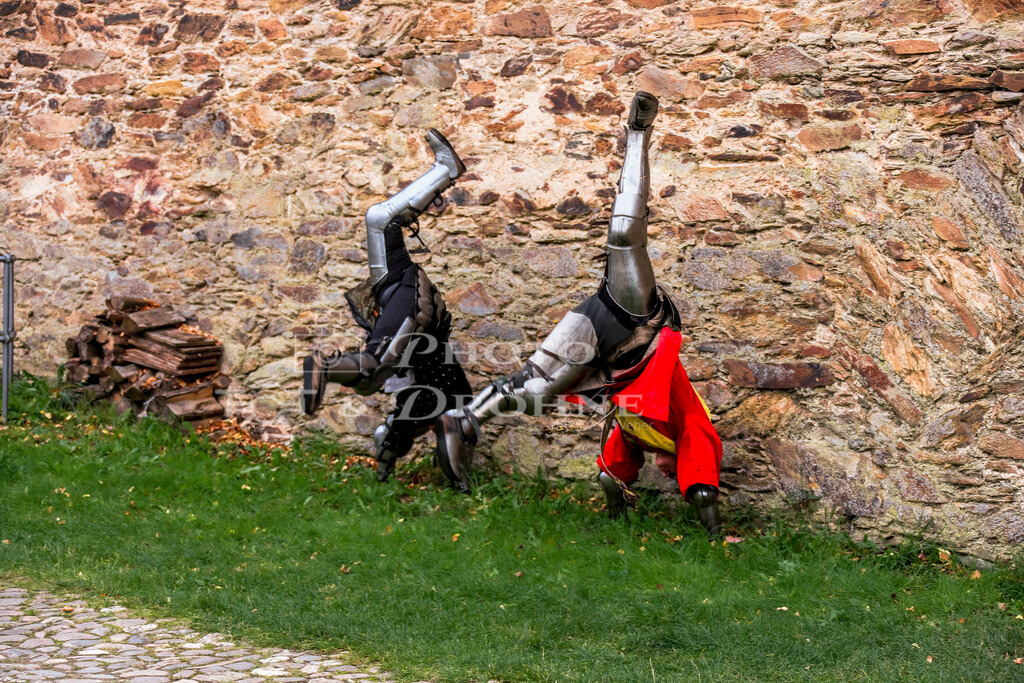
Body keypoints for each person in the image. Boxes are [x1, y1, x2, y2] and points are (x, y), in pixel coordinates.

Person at [434, 92, 724, 533]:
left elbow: (612, 471)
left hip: (603, 354)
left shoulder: (640, 436)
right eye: (671, 471)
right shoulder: (688, 430)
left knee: (534, 391)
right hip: (634, 318)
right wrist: (712, 526)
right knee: (626, 235)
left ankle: (463, 418)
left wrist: (617, 507)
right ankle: (639, 133)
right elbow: (701, 472)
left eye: (667, 474)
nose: (665, 474)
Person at [301, 129, 473, 483]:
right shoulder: (396, 285)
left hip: (420, 326)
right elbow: (380, 219)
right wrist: (441, 177)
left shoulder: (425, 372)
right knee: (380, 368)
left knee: (427, 393)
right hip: (410, 297)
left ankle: (392, 462)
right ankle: (324, 366)